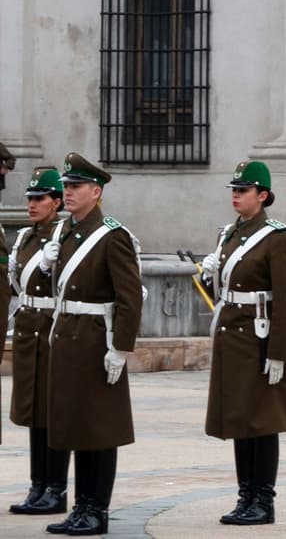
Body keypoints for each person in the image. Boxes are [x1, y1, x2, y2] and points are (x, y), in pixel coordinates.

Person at [198, 160, 286, 525]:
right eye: (234, 190)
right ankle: (245, 496)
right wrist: (211, 273)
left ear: (262, 195)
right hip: (233, 339)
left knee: (263, 423)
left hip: (259, 340)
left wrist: (278, 352)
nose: (236, 196)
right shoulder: (229, 234)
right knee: (240, 421)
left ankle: (263, 500)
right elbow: (223, 293)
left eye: (243, 191)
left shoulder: (276, 238)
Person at [44, 153, 143, 536]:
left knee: (99, 429)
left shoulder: (112, 235)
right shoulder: (66, 231)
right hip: (67, 340)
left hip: (94, 342)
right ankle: (80, 506)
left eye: (75, 187)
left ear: (95, 192)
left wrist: (120, 347)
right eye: (66, 187)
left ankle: (96, 509)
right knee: (76, 427)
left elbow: (129, 298)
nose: (67, 193)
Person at [6, 167, 70, 517]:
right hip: (30, 327)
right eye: (30, 198)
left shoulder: (62, 236)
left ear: (56, 202)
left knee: (52, 412)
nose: (32, 204)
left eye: (39, 198)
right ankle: (37, 486)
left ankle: (55, 488)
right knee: (33, 411)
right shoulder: (27, 238)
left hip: (50, 327)